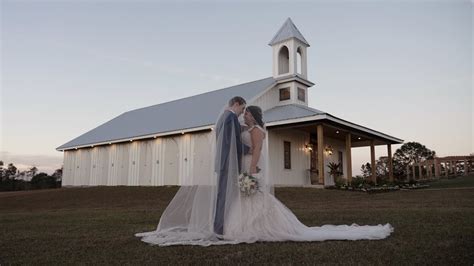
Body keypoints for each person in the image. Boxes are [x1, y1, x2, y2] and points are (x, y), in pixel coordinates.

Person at [134, 103, 394, 246]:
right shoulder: (244, 126)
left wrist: (250, 169)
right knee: (246, 200)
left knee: (253, 198)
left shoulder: (257, 130)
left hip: (251, 168)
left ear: (253, 116)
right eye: (243, 111)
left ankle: (259, 227)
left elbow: (256, 149)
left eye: (247, 113)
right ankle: (242, 226)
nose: (244, 115)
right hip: (246, 166)